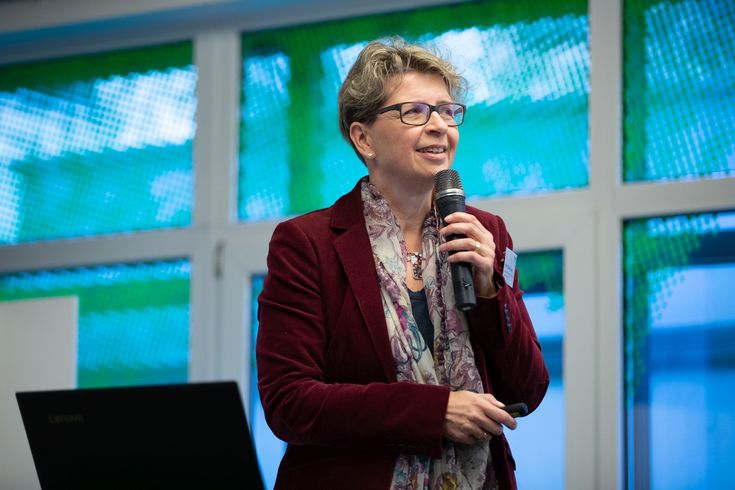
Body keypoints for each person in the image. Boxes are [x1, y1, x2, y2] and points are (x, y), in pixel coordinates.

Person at [256, 37, 548, 490]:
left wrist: (492, 290)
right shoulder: (306, 244)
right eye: (415, 111)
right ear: (363, 137)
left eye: (448, 111)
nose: (440, 126)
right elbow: (289, 402)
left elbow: (528, 390)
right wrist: (435, 413)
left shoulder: (488, 232)